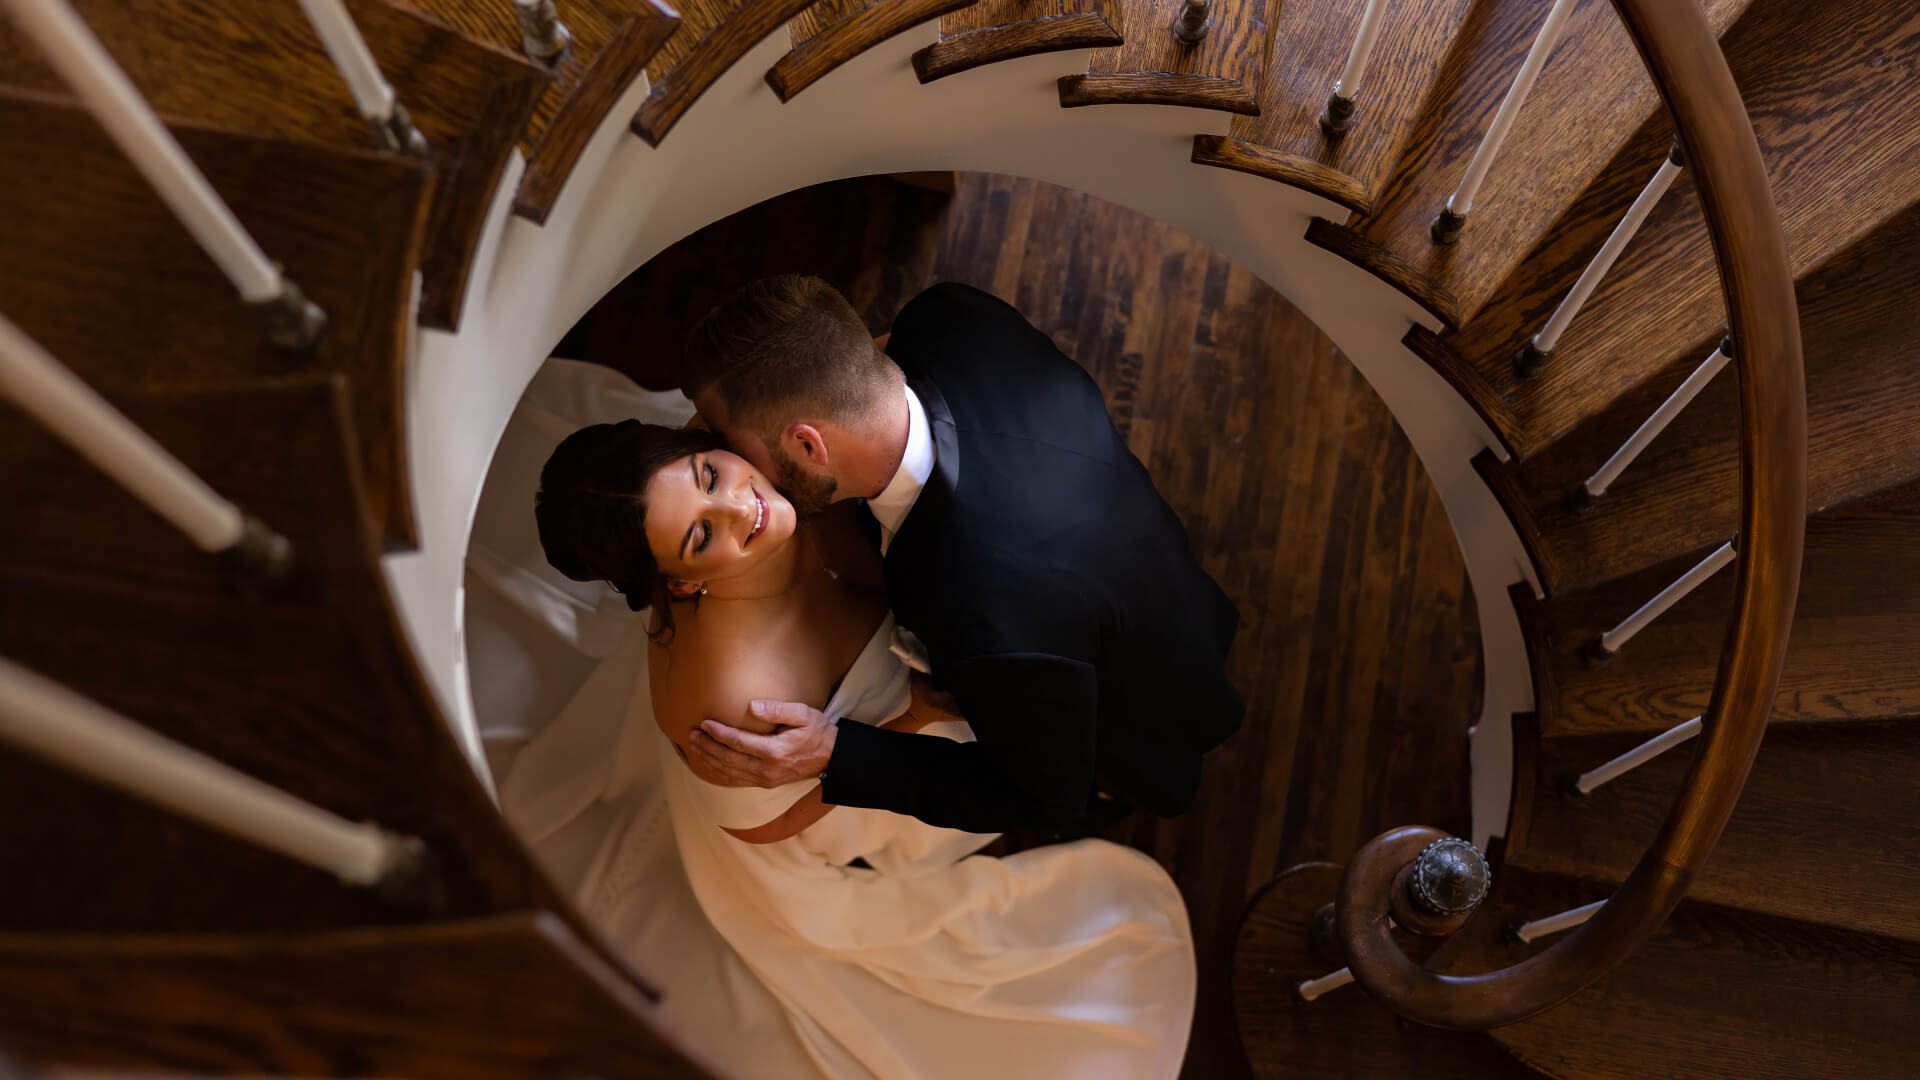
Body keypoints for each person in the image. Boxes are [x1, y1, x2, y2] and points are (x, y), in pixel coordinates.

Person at [522, 417, 1197, 1078]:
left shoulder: (750, 453)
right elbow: (762, 825)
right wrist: (903, 723)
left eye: (709, 475)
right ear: (681, 585)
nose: (739, 507)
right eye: (702, 536)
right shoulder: (737, 700)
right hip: (804, 808)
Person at [681, 276, 1244, 836]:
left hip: (1129, 716)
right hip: (1158, 565)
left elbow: (1040, 800)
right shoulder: (947, 314)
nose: (736, 469)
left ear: (808, 445)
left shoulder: (989, 609)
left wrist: (835, 751)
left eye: (737, 447)